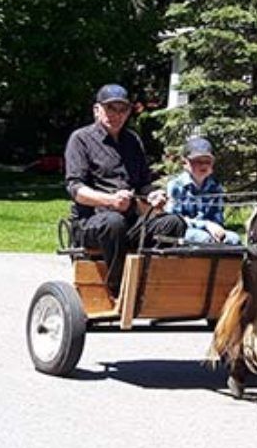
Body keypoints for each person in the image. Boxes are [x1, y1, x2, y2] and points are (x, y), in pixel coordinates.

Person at [63, 84, 186, 293]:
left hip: (130, 223)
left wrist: (154, 194)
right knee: (114, 221)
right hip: (91, 223)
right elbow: (76, 189)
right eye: (110, 108)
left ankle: (152, 283)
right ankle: (118, 286)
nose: (117, 115)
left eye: (122, 110)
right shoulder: (80, 139)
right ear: (97, 110)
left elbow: (144, 184)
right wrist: (110, 201)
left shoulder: (132, 141)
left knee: (173, 223)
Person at [166, 136, 242, 245]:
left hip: (210, 231)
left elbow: (218, 218)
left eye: (208, 161)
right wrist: (205, 225)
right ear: (185, 163)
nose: (204, 165)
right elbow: (174, 220)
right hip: (183, 232)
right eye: (198, 161)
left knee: (234, 239)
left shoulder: (216, 188)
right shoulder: (176, 186)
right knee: (204, 239)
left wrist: (217, 230)